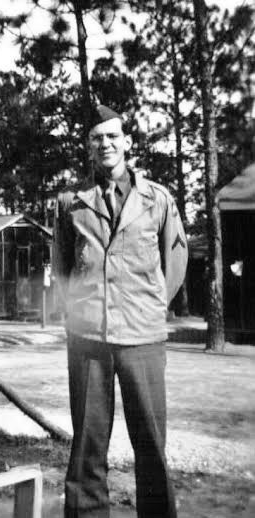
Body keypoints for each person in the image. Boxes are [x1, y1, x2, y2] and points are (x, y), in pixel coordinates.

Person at [53, 105, 188, 518]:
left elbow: (176, 261)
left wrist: (147, 307)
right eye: (97, 138)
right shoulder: (71, 202)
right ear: (88, 146)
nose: (105, 144)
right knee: (88, 444)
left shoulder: (157, 198)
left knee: (150, 441)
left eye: (112, 136)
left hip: (143, 338)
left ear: (126, 142)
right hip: (89, 338)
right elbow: (61, 267)